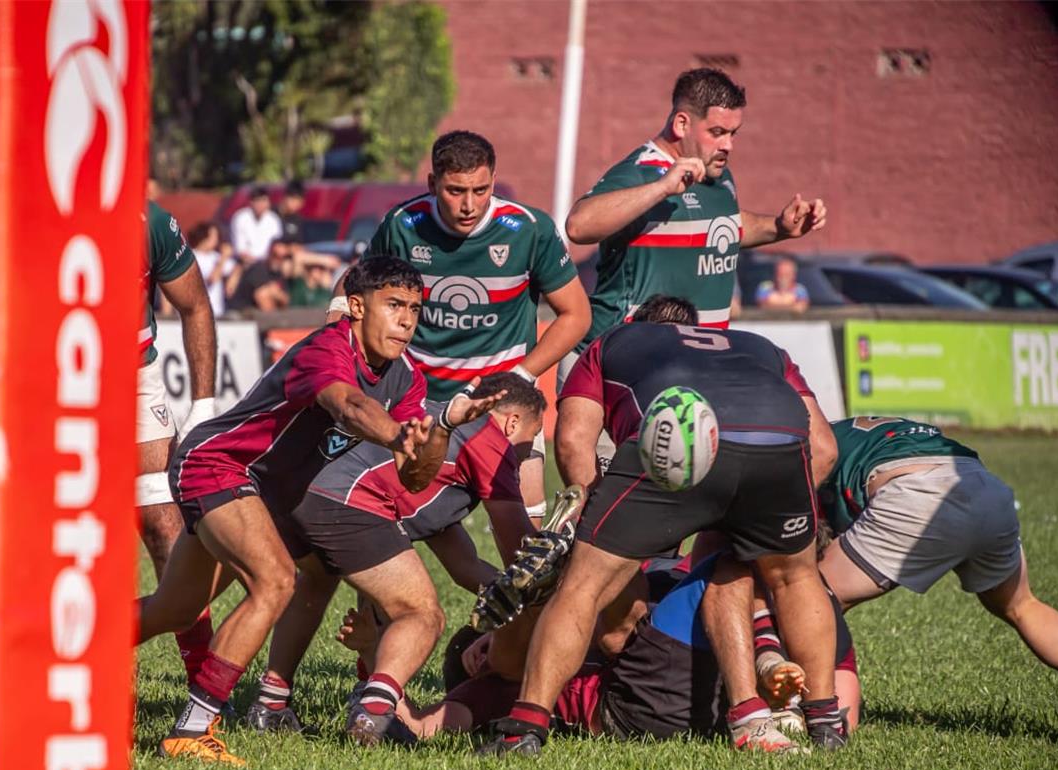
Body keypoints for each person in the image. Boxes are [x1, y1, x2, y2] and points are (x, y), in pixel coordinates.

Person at [139, 256, 507, 766]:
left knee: (173, 610)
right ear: (356, 307)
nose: (406, 320)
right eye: (394, 306)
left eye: (415, 310)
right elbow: (349, 407)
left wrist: (440, 424)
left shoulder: (406, 379)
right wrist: (400, 435)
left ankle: (55, 656)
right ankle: (193, 730)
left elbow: (414, 476)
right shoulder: (326, 348)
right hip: (217, 465)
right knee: (277, 581)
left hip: (261, 494)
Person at [477, 295, 845, 757]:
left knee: (582, 589)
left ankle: (524, 730)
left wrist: (596, 518)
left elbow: (572, 441)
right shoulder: (762, 346)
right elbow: (825, 449)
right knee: (795, 577)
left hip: (670, 445)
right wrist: (757, 508)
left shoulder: (612, 342)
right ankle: (826, 722)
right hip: (778, 447)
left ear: (635, 322)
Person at [815, 416, 1058, 740]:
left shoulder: (807, 448)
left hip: (917, 489)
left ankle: (822, 712)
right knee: (1023, 606)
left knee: (814, 598)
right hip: (983, 485)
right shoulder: (846, 431)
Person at [242, 372, 546, 740]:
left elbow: (465, 567)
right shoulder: (487, 438)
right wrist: (553, 599)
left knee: (317, 582)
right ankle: (374, 713)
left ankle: (270, 705)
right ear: (512, 423)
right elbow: (522, 549)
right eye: (529, 443)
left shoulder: (446, 450)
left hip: (296, 492)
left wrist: (508, 607)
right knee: (422, 615)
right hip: (345, 502)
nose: (525, 455)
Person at [558, 67, 827, 467]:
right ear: (682, 123)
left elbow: (723, 227)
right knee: (611, 504)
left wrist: (778, 227)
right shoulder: (640, 171)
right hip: (619, 363)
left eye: (734, 133)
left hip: (694, 368)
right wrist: (663, 187)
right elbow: (579, 225)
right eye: (717, 132)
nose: (728, 145)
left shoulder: (720, 179)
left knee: (679, 502)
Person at [361, 552, 859, 747]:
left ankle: (782, 700)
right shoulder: (498, 692)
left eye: (479, 649)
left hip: (693, 687)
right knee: (735, 565)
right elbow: (416, 727)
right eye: (478, 660)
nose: (482, 657)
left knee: (766, 582)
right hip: (638, 694)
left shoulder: (560, 639)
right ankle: (768, 693)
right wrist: (375, 660)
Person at [358, 130, 592, 526]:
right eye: (454, 191)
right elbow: (357, 288)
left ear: (493, 180)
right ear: (433, 184)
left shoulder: (529, 229)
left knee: (525, 542)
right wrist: (336, 320)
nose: (469, 204)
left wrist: (521, 376)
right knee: (383, 524)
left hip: (503, 403)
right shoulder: (402, 225)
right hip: (419, 403)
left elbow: (576, 315)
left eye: (481, 190)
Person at [137, 201, 219, 685]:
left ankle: (202, 682)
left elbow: (195, 305)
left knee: (165, 525)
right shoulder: (17, 212)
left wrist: (203, 404)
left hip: (131, 376)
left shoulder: (147, 222)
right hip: (40, 377)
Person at [187, 221, 237, 317]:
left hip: (217, 311)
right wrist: (224, 257)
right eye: (214, 237)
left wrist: (231, 282)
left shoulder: (215, 256)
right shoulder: (192, 257)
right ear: (204, 238)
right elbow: (212, 279)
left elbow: (236, 268)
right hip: (198, 313)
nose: (217, 240)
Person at [228, 238, 291, 312]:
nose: (278, 260)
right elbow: (260, 295)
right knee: (264, 294)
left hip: (259, 313)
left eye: (283, 257)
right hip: (244, 309)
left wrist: (277, 294)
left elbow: (286, 299)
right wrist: (275, 293)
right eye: (275, 255)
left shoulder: (279, 274)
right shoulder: (259, 269)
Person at [231, 185, 283, 265]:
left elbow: (277, 245)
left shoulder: (274, 219)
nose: (261, 204)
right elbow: (240, 249)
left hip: (267, 262)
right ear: (251, 202)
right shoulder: (240, 218)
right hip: (244, 262)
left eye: (264, 201)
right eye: (258, 201)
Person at [278, 179, 306, 244]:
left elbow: (299, 244)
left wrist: (289, 249)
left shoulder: (298, 220)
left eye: (299, 200)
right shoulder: (271, 215)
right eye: (293, 198)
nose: (295, 203)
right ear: (285, 197)